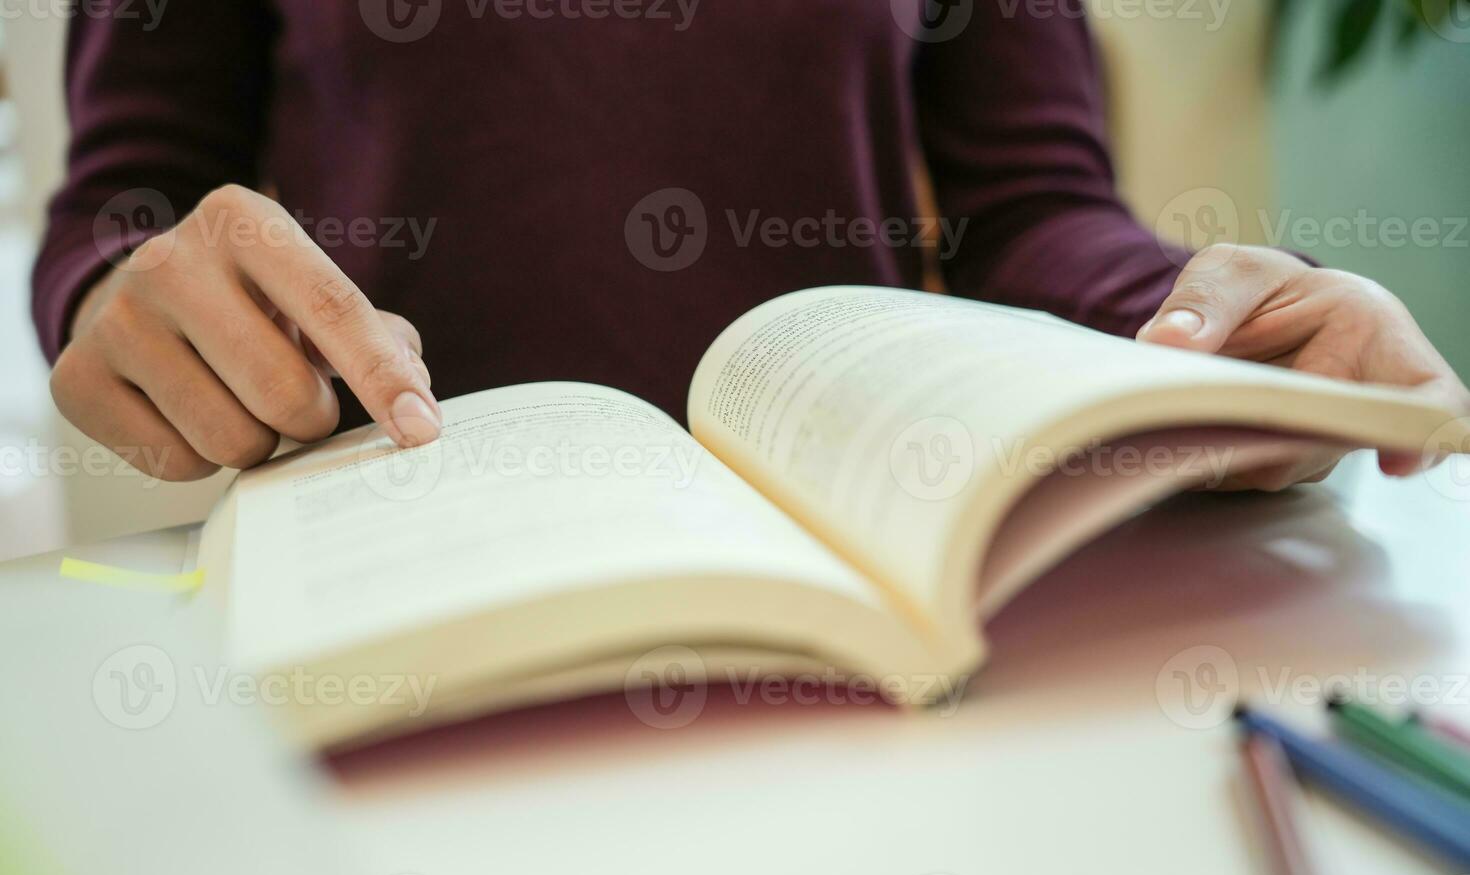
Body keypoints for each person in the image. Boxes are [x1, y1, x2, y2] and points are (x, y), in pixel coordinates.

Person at [33, 0, 1468, 489]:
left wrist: (1203, 330)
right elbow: (122, 204)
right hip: (403, 589)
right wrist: (127, 297)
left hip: (866, 586)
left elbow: (1030, 210)